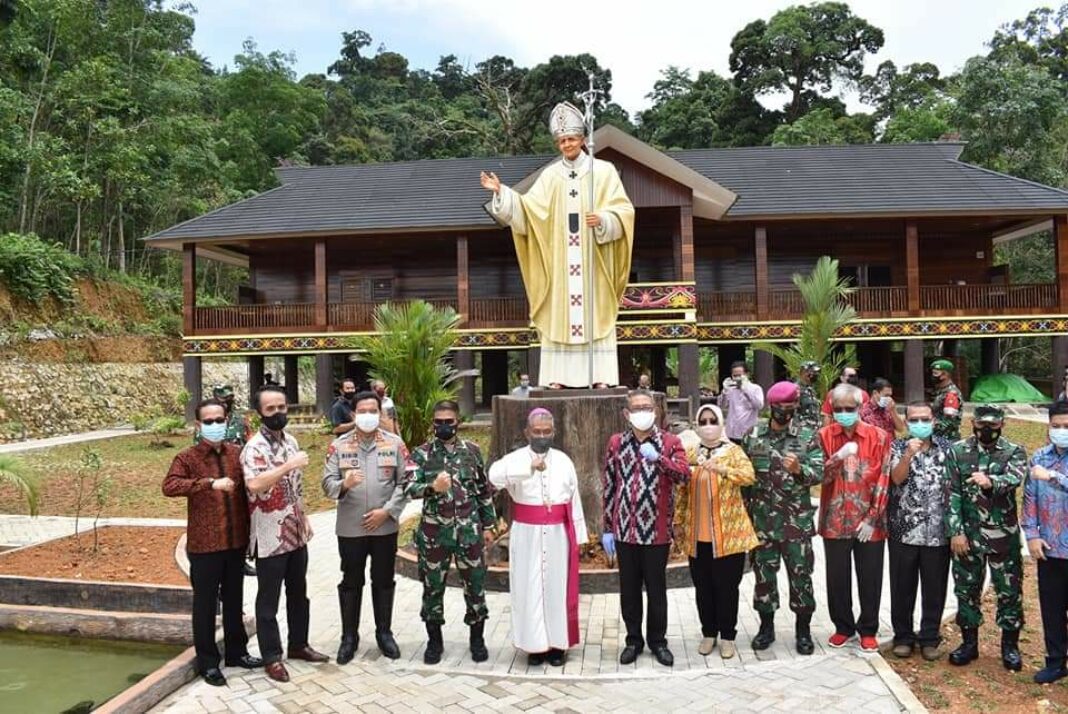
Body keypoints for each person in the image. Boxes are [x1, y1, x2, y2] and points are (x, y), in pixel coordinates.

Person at [482, 102, 636, 388]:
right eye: (562, 141)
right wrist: (502, 193)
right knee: (560, 316)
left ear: (582, 138)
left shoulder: (603, 171)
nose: (567, 144)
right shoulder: (551, 175)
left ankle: (600, 377)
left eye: (571, 139)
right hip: (561, 265)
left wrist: (604, 219)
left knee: (596, 316)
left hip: (593, 263)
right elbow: (529, 211)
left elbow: (625, 211)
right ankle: (558, 378)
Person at [163, 399, 261, 686]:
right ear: (198, 424)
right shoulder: (187, 458)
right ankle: (208, 662)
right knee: (205, 606)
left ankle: (237, 652)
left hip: (235, 542)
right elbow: (169, 486)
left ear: (227, 420)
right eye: (209, 421)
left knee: (234, 601)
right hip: (204, 546)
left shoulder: (237, 454)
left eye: (219, 420)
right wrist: (208, 483)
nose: (215, 425)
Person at [241, 385, 330, 682]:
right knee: (268, 599)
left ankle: (299, 644)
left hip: (295, 530)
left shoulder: (291, 441)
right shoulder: (254, 448)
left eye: (281, 407)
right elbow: (255, 485)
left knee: (298, 593)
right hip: (269, 535)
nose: (278, 413)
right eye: (271, 409)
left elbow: (296, 487)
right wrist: (288, 465)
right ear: (259, 413)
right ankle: (271, 656)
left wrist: (303, 516)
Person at [489, 408, 587, 667]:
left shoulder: (564, 461)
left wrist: (579, 537)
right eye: (537, 431)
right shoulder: (515, 459)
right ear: (527, 432)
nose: (542, 436)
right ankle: (534, 646)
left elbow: (574, 499)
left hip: (557, 535)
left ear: (553, 432)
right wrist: (527, 468)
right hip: (526, 534)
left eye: (547, 431)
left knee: (557, 588)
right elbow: (493, 477)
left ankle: (557, 645)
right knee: (528, 588)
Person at [322, 391, 412, 663]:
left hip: (384, 527)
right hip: (351, 528)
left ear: (380, 413)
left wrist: (388, 511)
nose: (368, 416)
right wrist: (344, 484)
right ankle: (349, 637)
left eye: (373, 411)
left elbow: (406, 482)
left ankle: (384, 634)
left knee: (383, 580)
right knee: (351, 581)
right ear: (353, 414)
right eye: (362, 411)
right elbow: (327, 484)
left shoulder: (395, 443)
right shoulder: (339, 446)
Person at [602, 389, 690, 666]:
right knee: (629, 590)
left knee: (656, 589)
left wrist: (659, 459)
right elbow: (610, 485)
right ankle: (633, 640)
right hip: (625, 531)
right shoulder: (617, 443)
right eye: (637, 408)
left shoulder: (670, 442)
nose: (643, 412)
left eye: (647, 407)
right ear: (627, 414)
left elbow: (684, 475)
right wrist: (607, 527)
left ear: (656, 411)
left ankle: (658, 641)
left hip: (656, 531)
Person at [405, 399, 496, 665]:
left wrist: (489, 525)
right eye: (439, 422)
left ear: (458, 422)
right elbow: (408, 488)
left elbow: (483, 490)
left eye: (449, 421)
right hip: (435, 534)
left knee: (475, 586)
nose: (443, 426)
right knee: (433, 587)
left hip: (469, 532)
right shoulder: (421, 454)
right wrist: (432, 487)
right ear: (433, 423)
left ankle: (477, 639)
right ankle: (434, 642)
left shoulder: (472, 451)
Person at [743, 381, 824, 655]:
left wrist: (800, 469)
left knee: (801, 577)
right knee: (764, 578)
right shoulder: (753, 435)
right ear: (771, 406)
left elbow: (820, 473)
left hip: (795, 525)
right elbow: (744, 478)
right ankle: (766, 628)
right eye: (781, 406)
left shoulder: (807, 436)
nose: (786, 410)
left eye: (791, 406)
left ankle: (803, 631)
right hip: (762, 525)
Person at [945, 403, 1027, 670]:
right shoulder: (957, 451)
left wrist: (992, 481)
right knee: (966, 590)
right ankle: (969, 644)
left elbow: (1015, 478)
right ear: (973, 424)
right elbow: (952, 492)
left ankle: (1010, 646)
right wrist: (956, 531)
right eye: (982, 425)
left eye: (993, 425)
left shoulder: (1014, 451)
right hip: (968, 536)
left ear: (1002, 424)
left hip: (1003, 536)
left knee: (1009, 591)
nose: (987, 429)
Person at [675, 404, 758, 659]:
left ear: (721, 423)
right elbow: (682, 489)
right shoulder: (691, 453)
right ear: (697, 425)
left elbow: (749, 476)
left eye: (713, 420)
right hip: (698, 536)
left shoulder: (733, 451)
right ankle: (708, 633)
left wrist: (724, 470)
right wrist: (678, 521)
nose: (708, 425)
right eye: (703, 421)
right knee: (703, 588)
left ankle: (728, 636)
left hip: (728, 537)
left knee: (727, 589)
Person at [818, 383, 892, 652]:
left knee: (870, 576)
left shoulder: (879, 436)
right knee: (837, 578)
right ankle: (843, 627)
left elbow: (884, 477)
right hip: (835, 519)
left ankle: (868, 628)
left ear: (860, 408)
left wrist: (873, 517)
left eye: (849, 408)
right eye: (838, 409)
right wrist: (836, 458)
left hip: (870, 523)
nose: (844, 413)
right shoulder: (824, 436)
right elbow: (819, 476)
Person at [887, 403, 952, 661]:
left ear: (934, 421)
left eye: (925, 419)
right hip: (904, 531)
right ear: (906, 422)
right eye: (914, 420)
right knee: (902, 587)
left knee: (934, 588)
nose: (920, 424)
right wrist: (907, 456)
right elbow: (896, 479)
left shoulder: (948, 448)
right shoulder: (897, 447)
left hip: (938, 532)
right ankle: (903, 637)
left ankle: (929, 638)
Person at [1024, 400, 1068, 684]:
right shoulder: (1039, 457)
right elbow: (1030, 499)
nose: (1061, 430)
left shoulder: (1047, 469)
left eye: (1066, 426)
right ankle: (1056, 661)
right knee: (1052, 609)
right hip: (1050, 547)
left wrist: (1054, 476)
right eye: (1056, 426)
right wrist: (1032, 535)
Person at [717, 361, 764, 444]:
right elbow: (721, 406)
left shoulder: (755, 388)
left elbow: (759, 405)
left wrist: (745, 390)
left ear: (747, 374)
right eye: (735, 376)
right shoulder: (730, 390)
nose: (737, 378)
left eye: (740, 375)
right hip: (731, 433)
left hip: (748, 433)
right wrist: (724, 391)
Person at [930, 359, 963, 441]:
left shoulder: (951, 394)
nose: (933, 376)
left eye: (936, 373)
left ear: (945, 375)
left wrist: (929, 427)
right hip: (938, 436)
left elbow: (949, 421)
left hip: (947, 438)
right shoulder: (940, 391)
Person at [794, 361, 823, 430]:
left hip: (813, 428)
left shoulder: (811, 389)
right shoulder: (796, 389)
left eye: (816, 372)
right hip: (803, 429)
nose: (815, 374)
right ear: (803, 372)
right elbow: (793, 410)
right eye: (812, 372)